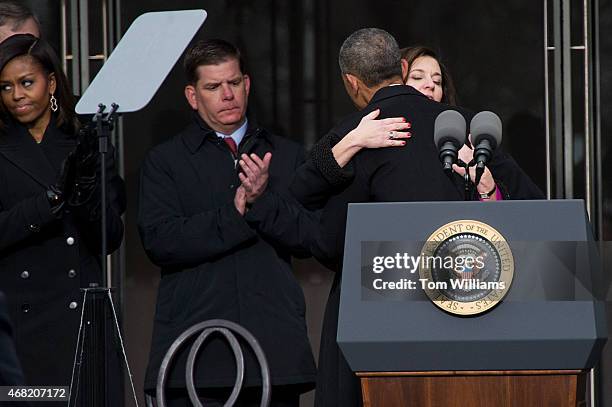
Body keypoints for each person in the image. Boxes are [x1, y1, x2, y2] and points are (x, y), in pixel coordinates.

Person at [289, 28, 544, 407]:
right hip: (429, 316)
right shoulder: (450, 131)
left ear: (352, 82)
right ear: (402, 71)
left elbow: (326, 237)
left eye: (437, 80)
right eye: (420, 78)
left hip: (418, 316)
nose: (430, 87)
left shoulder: (462, 138)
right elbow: (537, 214)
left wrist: (488, 189)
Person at [138, 39, 316, 406]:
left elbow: (309, 237)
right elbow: (160, 241)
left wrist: (262, 202)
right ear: (192, 95)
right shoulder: (165, 161)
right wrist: (234, 214)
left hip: (273, 350)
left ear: (247, 84)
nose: (227, 95)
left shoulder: (285, 154)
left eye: (233, 83)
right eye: (213, 87)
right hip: (196, 355)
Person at [0, 34, 125, 391]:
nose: (17, 96)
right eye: (6, 87)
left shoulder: (88, 143)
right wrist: (51, 200)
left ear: (51, 82)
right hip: (21, 325)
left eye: (27, 83)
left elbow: (110, 237)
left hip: (82, 323)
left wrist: (85, 193)